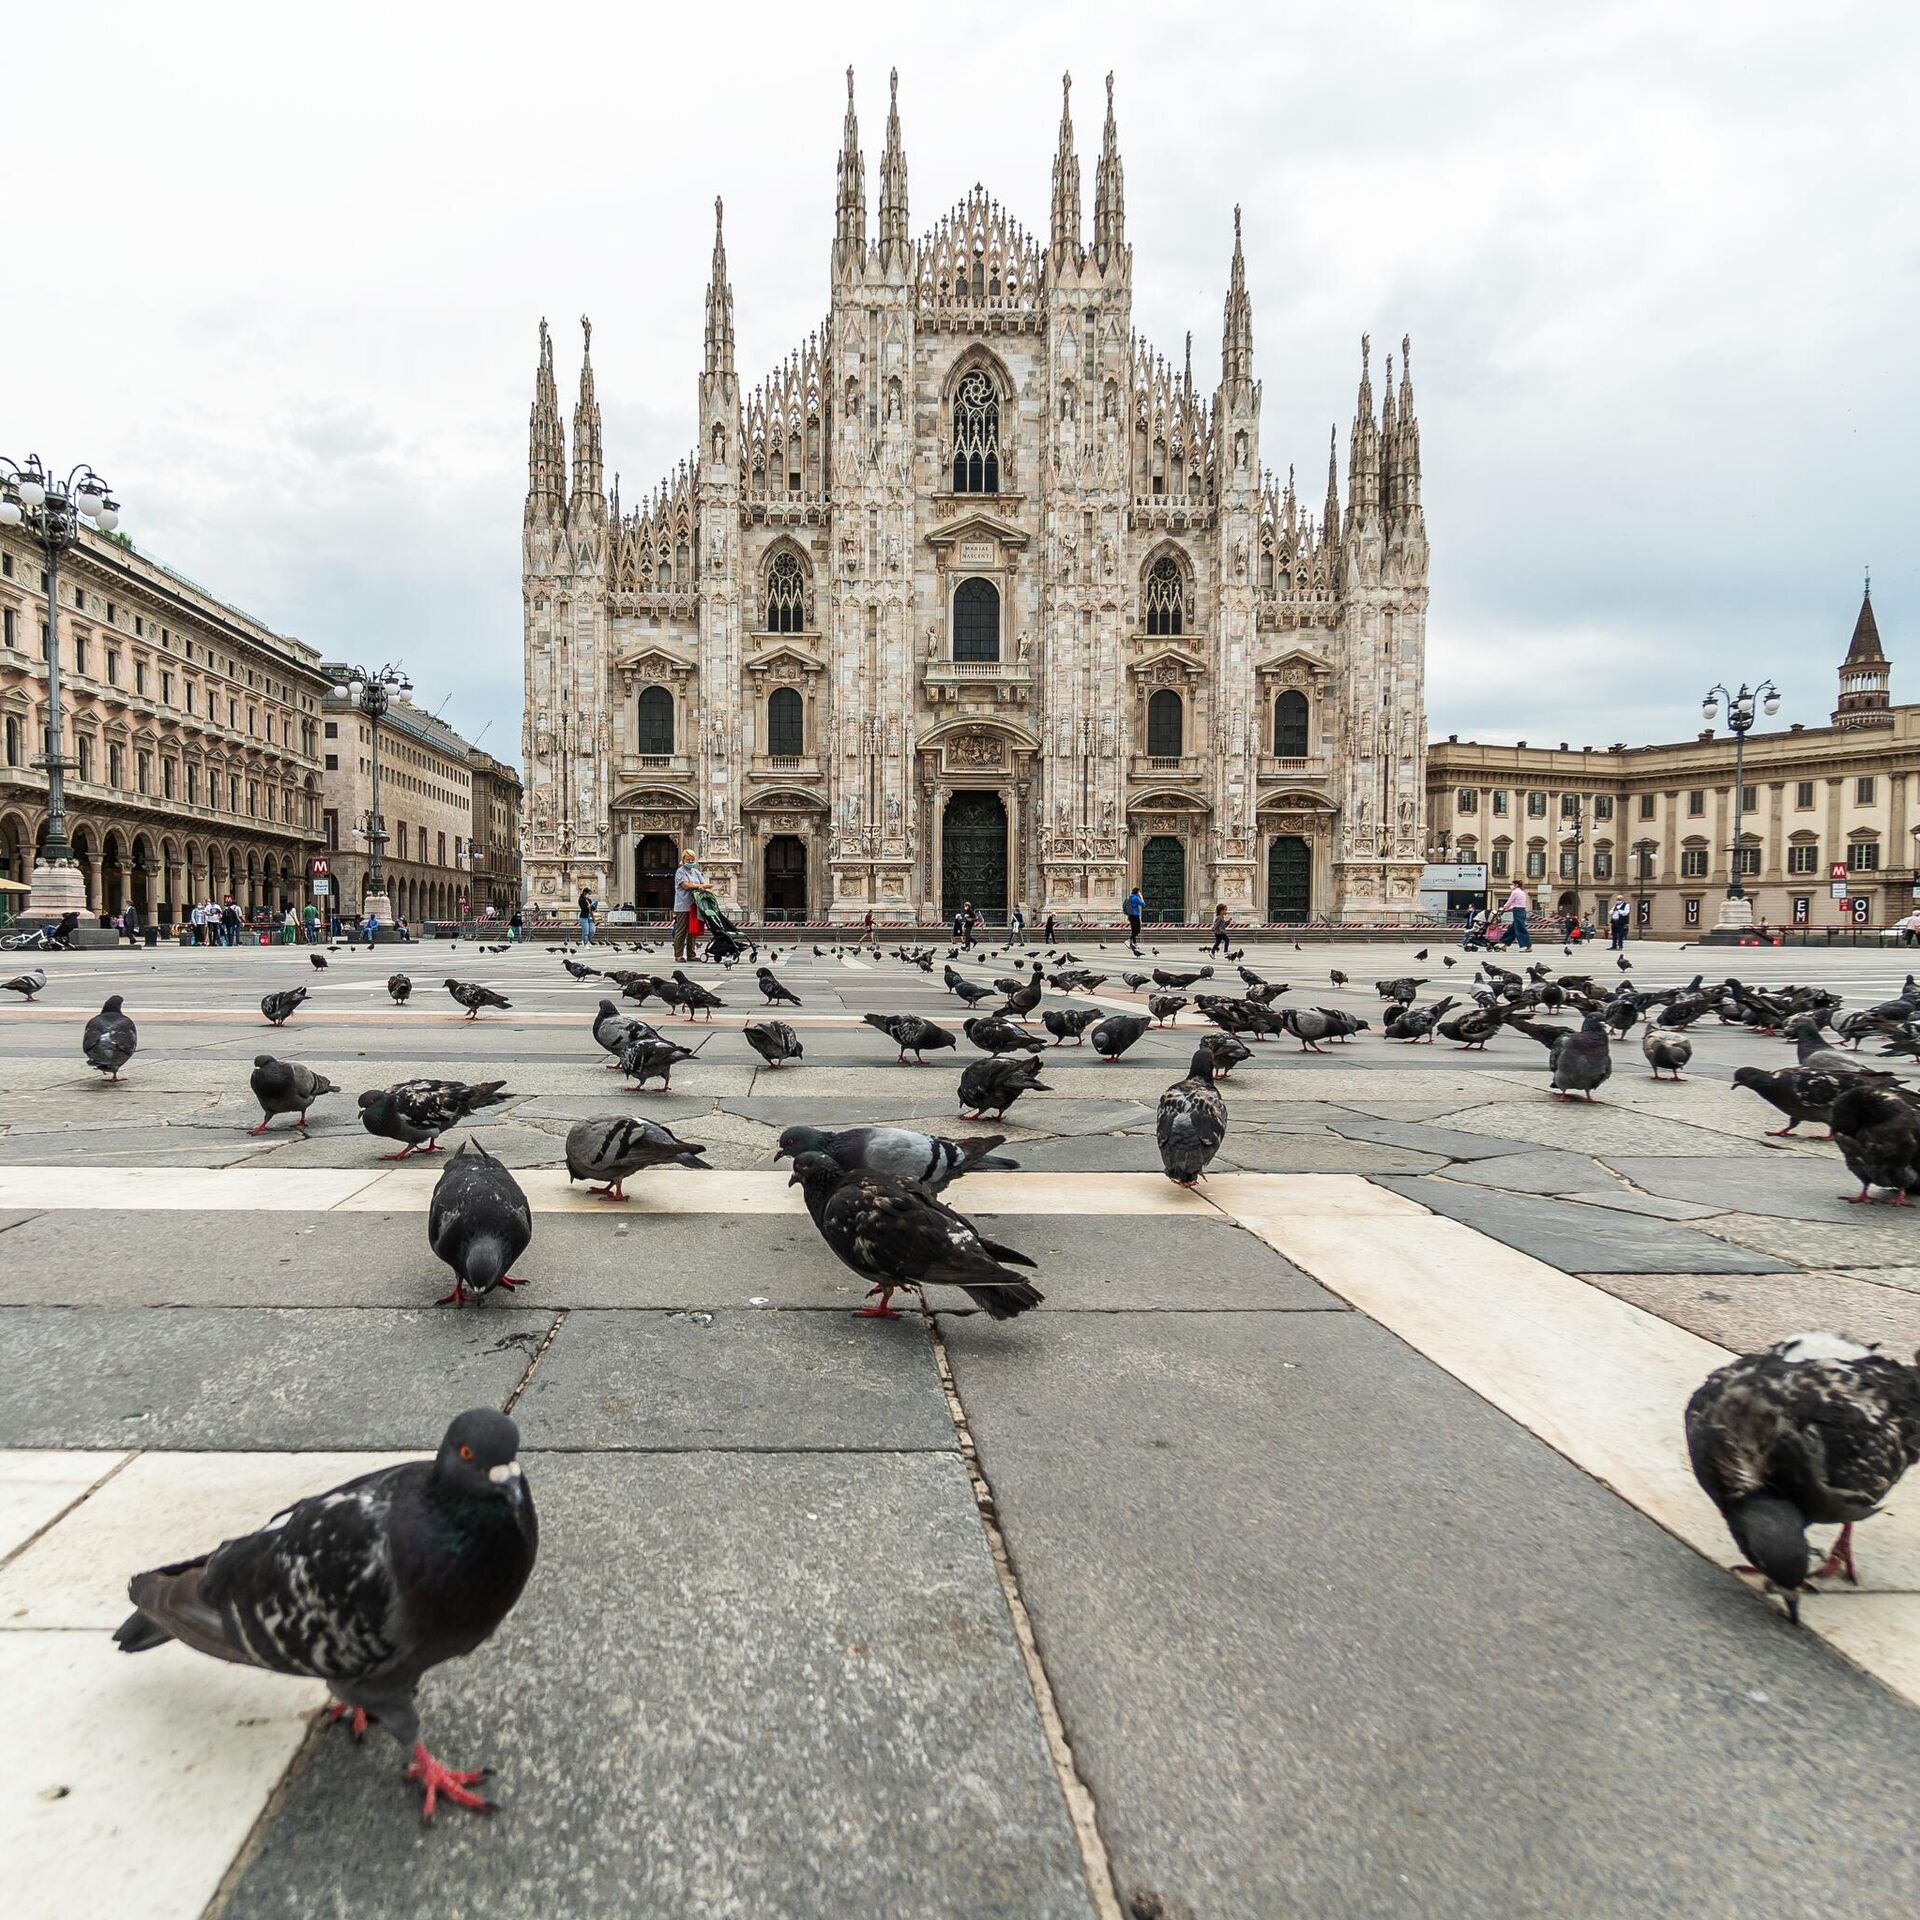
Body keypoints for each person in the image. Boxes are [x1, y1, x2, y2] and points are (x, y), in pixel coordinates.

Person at [671, 850, 704, 962]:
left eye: (692, 859)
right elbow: (685, 885)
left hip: (694, 905)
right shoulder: (680, 872)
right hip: (683, 905)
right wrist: (698, 886)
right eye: (688, 859)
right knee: (682, 930)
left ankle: (691, 954)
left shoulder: (696, 872)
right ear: (683, 859)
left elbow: (703, 884)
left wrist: (702, 886)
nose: (690, 861)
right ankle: (678, 955)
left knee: (692, 931)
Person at [1499, 881, 1532, 950]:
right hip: (1522, 911)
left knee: (1520, 929)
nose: (1511, 886)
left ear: (1516, 885)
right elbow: (1517, 903)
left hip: (1517, 911)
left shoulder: (1515, 892)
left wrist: (1504, 907)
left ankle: (1527, 946)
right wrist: (1509, 908)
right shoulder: (1522, 892)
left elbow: (1510, 901)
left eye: (1512, 884)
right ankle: (1505, 945)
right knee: (1513, 929)